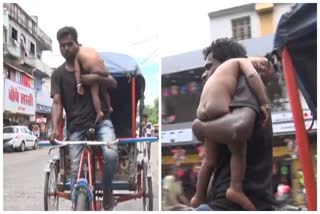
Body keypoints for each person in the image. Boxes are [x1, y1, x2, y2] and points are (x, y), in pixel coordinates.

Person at [192, 38, 274, 211]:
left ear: (225, 63)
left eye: (209, 66)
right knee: (210, 160)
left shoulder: (244, 83)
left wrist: (201, 127)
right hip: (222, 202)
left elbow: (238, 129)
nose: (204, 74)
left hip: (235, 206)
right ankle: (201, 197)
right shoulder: (227, 91)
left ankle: (230, 190)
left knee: (212, 159)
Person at [49, 26, 118, 210]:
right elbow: (57, 103)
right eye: (62, 46)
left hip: (101, 122)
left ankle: (108, 189)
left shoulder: (90, 62)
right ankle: (75, 204)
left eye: (70, 44)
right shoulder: (57, 75)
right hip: (76, 127)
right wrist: (54, 128)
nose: (66, 49)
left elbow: (113, 82)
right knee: (74, 170)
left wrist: (95, 78)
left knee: (111, 154)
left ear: (77, 43)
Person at [74, 46, 113, 124]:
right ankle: (109, 107)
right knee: (105, 91)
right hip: (104, 70)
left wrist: (78, 85)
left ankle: (99, 112)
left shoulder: (77, 55)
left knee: (95, 94)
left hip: (94, 70)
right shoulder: (91, 49)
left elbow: (76, 70)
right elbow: (100, 60)